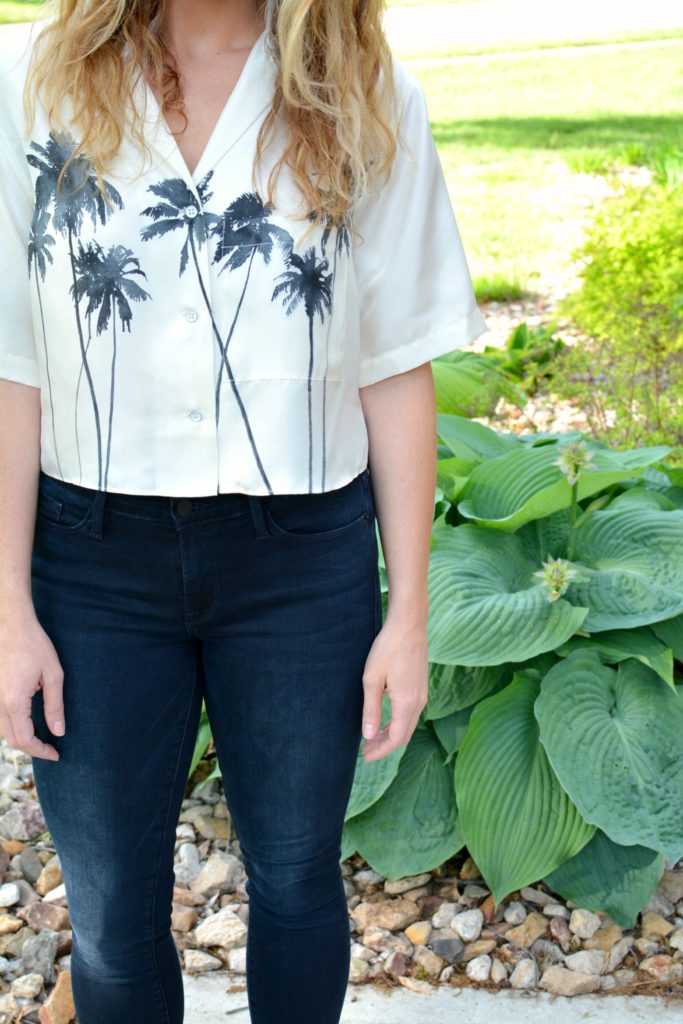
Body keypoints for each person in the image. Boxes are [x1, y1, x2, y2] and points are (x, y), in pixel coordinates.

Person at [0, 0, 488, 1021]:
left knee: (300, 881)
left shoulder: (365, 96)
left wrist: (408, 616)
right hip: (91, 564)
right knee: (111, 914)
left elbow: (395, 367)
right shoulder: (28, 83)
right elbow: (12, 368)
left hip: (300, 564)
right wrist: (8, 606)